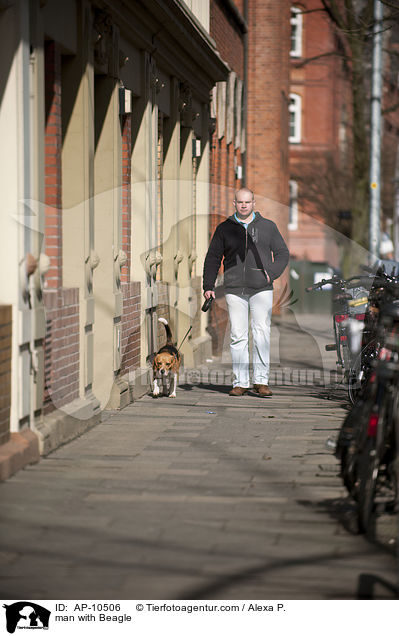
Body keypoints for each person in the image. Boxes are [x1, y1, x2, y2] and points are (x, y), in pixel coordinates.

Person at [203, 187, 289, 396]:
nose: (244, 205)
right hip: (234, 288)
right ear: (234, 204)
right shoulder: (225, 229)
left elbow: (282, 253)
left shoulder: (268, 227)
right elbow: (213, 257)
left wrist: (271, 273)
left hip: (261, 288)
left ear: (253, 203)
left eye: (247, 202)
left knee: (261, 334)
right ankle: (240, 382)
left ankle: (261, 381)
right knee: (238, 336)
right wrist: (208, 286)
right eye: (240, 202)